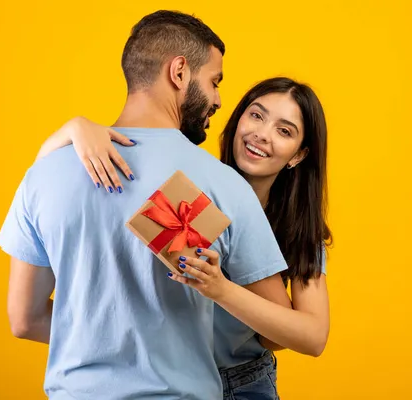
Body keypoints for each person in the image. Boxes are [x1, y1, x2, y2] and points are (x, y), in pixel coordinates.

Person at [0, 10, 293, 400]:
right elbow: (277, 333)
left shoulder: (44, 173)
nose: (219, 99)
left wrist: (104, 343)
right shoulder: (223, 184)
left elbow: (24, 319)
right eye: (214, 81)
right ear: (180, 72)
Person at [37, 77, 332, 400]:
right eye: (257, 115)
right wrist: (74, 129)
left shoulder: (300, 231)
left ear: (298, 155)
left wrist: (221, 290)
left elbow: (311, 337)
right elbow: (45, 177)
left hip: (243, 384)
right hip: (165, 380)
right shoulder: (188, 189)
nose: (262, 134)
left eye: (284, 130)